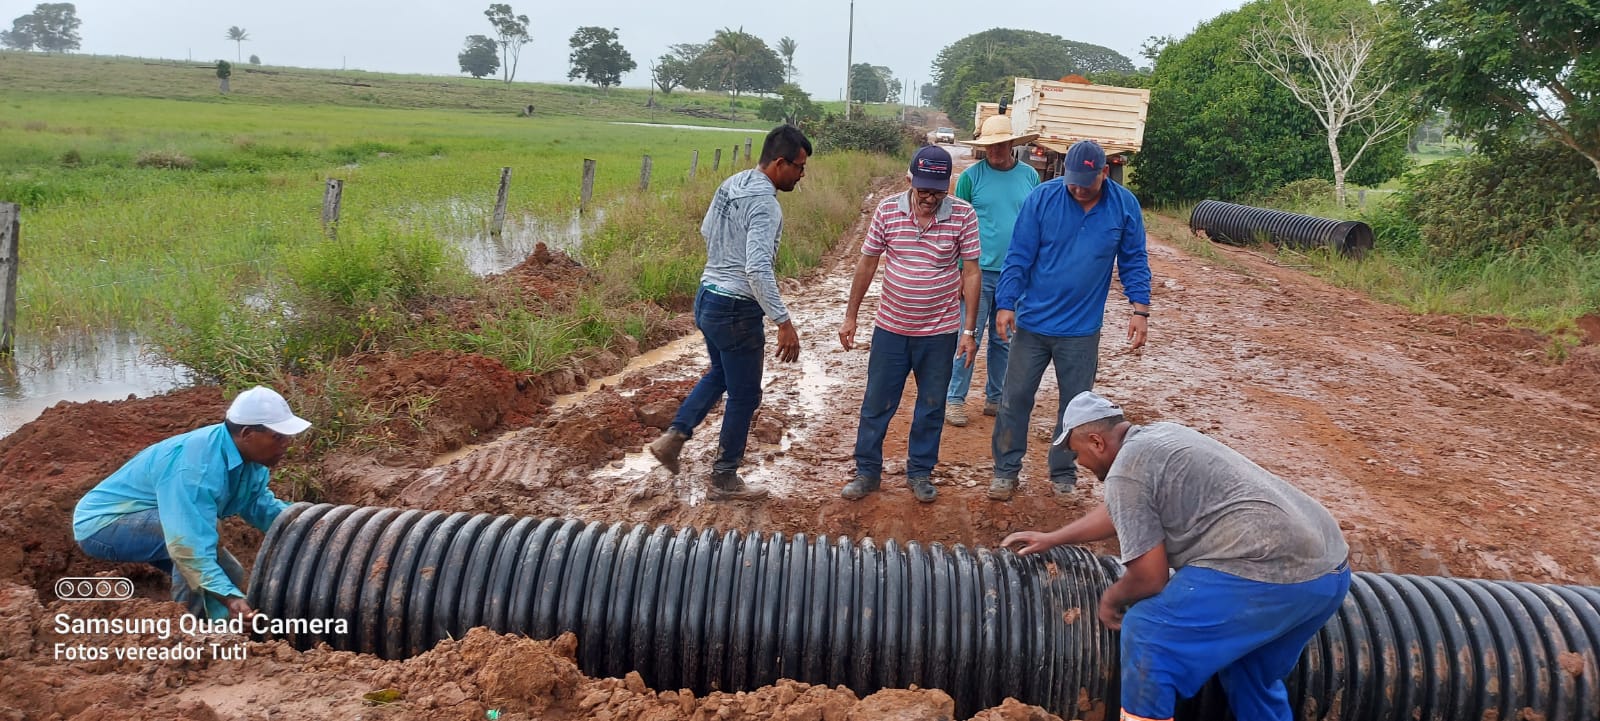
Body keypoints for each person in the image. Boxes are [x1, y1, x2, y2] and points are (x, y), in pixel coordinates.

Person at [1003, 391, 1351, 721]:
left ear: (1097, 442)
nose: (1077, 463)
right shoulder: (1159, 437)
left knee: (1148, 632)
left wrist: (1111, 598)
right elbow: (1120, 510)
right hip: (1327, 571)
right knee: (1250, 673)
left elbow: (1150, 577)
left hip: (1265, 570)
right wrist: (1054, 538)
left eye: (1076, 452)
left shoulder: (1127, 470)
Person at [647, 124, 812, 501]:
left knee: (721, 373)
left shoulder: (733, 182)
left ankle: (675, 436)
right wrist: (783, 322)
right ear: (781, 163)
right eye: (799, 167)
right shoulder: (766, 204)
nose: (802, 176)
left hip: (707, 297)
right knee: (745, 395)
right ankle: (724, 477)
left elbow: (708, 230)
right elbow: (756, 268)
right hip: (737, 309)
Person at [989, 139, 1151, 501]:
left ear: (1104, 173)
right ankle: (1005, 470)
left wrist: (1140, 309)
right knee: (1014, 398)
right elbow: (1019, 253)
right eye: (1072, 181)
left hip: (1081, 332)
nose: (1077, 188)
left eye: (1086, 182)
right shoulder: (1043, 199)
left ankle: (1063, 474)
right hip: (1031, 324)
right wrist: (1006, 303)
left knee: (1075, 409)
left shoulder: (1124, 206)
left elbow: (1134, 260)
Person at [73, 386, 310, 620]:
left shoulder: (251, 462)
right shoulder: (196, 468)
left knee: (228, 571)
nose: (286, 443)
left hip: (153, 518)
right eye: (277, 436)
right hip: (103, 525)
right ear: (247, 434)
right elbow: (189, 546)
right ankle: (189, 630)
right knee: (197, 552)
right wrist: (231, 599)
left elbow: (260, 506)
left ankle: (209, 625)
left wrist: (312, 523)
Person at [838, 145, 980, 503]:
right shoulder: (887, 210)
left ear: (948, 185)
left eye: (938, 190)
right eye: (923, 190)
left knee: (931, 405)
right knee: (877, 403)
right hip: (891, 329)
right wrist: (851, 315)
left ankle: (920, 472)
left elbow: (973, 272)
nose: (930, 198)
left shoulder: (963, 214)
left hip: (940, 331)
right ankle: (867, 471)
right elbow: (867, 263)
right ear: (909, 181)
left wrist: (968, 331)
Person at [944, 115, 1041, 428]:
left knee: (1004, 339)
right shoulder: (971, 177)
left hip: (1014, 275)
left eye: (1000, 144)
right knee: (967, 333)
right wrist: (960, 271)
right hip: (977, 272)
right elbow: (957, 226)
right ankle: (955, 399)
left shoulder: (1029, 177)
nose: (995, 150)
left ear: (1012, 144)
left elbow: (1037, 224)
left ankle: (995, 398)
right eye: (989, 145)